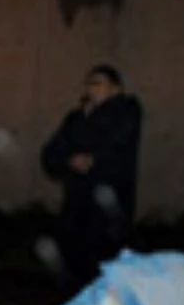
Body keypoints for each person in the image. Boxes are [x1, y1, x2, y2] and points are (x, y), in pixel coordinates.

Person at [40, 64, 143, 293]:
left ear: (115, 89)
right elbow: (51, 154)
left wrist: (90, 154)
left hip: (108, 210)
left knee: (102, 272)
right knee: (72, 272)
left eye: (98, 84)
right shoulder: (77, 119)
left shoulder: (126, 112)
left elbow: (113, 143)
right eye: (89, 84)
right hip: (77, 208)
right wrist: (69, 160)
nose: (91, 90)